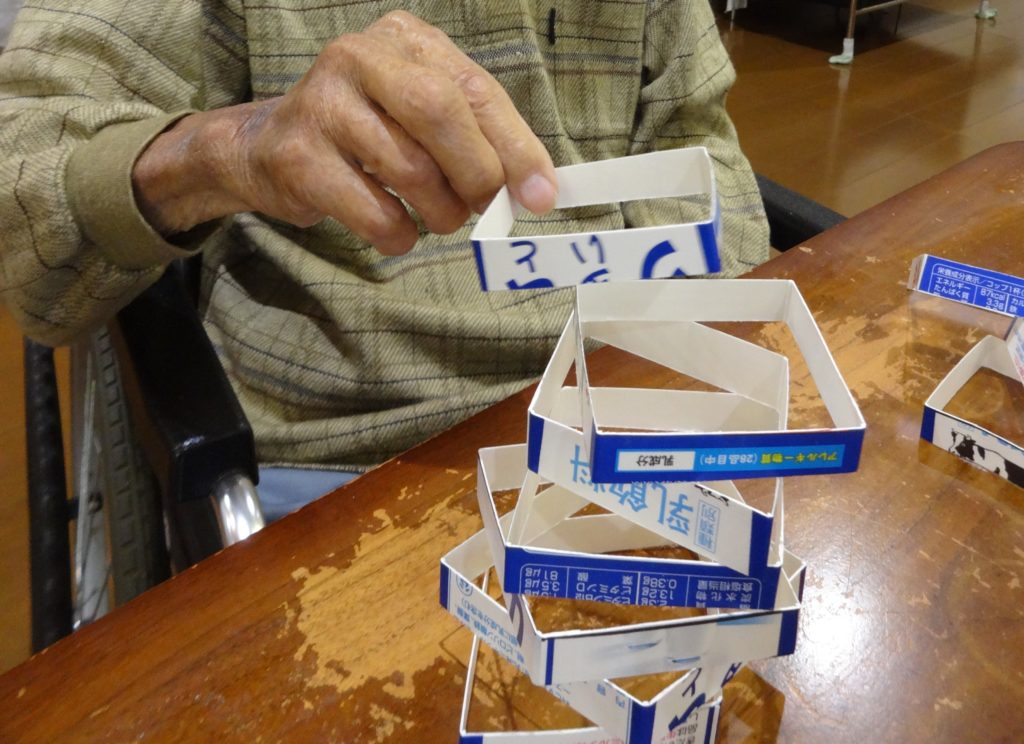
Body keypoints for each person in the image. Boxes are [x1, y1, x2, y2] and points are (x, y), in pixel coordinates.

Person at [0, 1, 768, 518]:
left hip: (628, 420)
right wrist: (229, 148)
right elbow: (23, 194)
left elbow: (698, 147)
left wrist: (684, 397)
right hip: (347, 463)